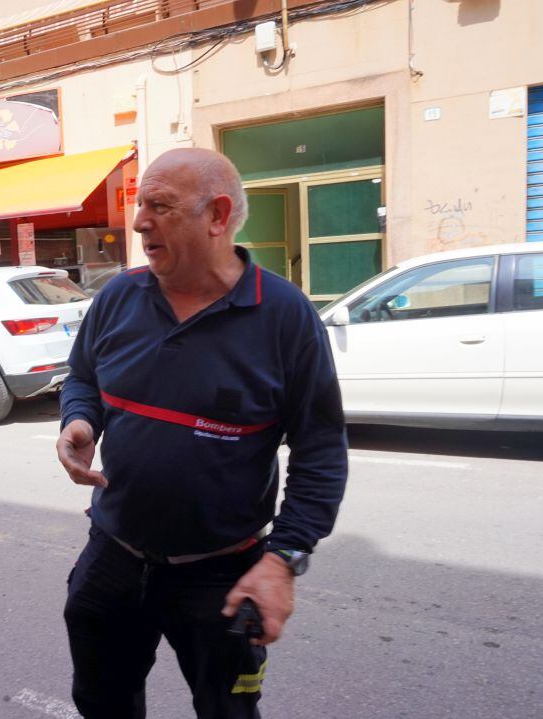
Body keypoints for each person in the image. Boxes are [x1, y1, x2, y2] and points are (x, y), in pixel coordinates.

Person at [56, 148, 348, 719]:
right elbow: (83, 376)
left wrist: (283, 559)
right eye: (140, 205)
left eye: (159, 206)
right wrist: (80, 421)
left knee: (228, 712)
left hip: (223, 575)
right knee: (101, 704)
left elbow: (320, 451)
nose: (139, 223)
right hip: (113, 556)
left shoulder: (284, 316)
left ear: (217, 215)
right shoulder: (118, 297)